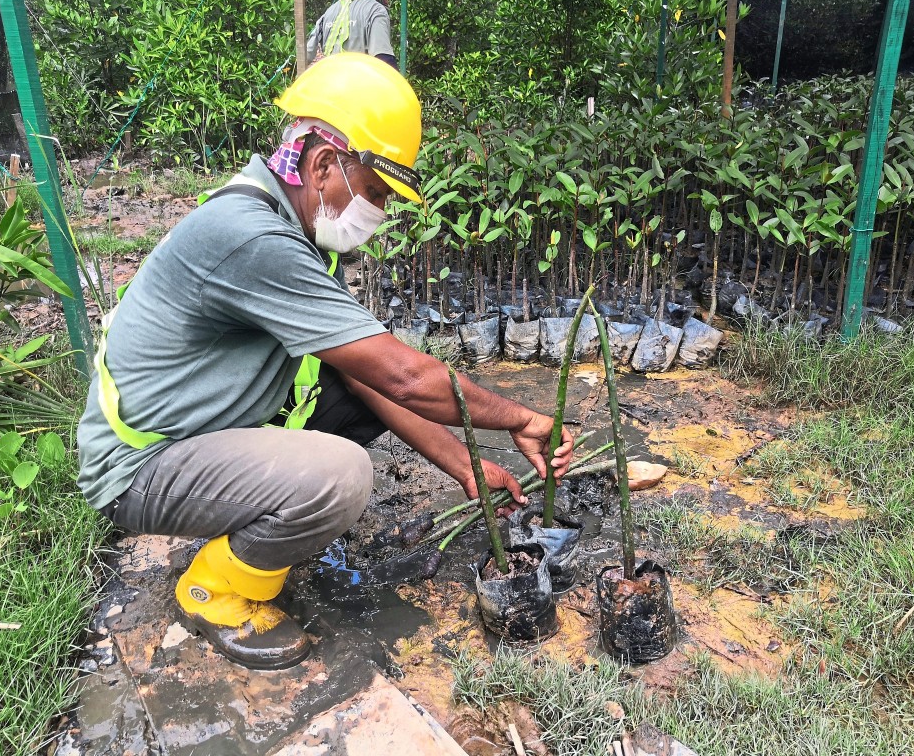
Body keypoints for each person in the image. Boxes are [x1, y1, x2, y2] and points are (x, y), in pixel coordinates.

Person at [76, 53, 574, 671]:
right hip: (140, 464)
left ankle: (253, 517)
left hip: (191, 433)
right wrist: (521, 419)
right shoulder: (253, 238)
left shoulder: (291, 231)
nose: (379, 214)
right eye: (372, 192)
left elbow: (366, 378)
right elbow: (407, 376)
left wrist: (465, 467)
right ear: (321, 164)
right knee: (340, 475)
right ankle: (214, 588)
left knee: (350, 400)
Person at [307, 0, 396, 66]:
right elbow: (384, 60)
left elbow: (306, 55)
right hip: (361, 83)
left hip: (331, 83)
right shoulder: (375, 10)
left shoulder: (328, 13)